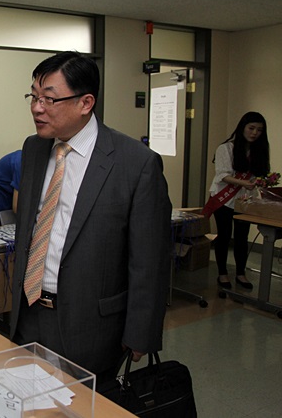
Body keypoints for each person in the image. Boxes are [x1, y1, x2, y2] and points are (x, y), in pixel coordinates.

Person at [9, 51, 171, 379]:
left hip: (93, 325)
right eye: (34, 96)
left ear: (85, 103)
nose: (37, 108)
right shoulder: (34, 148)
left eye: (49, 99)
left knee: (83, 402)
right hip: (29, 312)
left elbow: (149, 259)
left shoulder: (136, 163)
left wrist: (141, 333)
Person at [204, 112, 269, 290]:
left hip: (244, 200)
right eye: (251, 128)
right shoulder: (226, 148)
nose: (254, 133)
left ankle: (241, 273)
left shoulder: (259, 151)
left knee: (242, 237)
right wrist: (243, 183)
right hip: (224, 199)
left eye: (259, 130)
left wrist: (261, 182)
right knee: (224, 236)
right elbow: (222, 175)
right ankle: (222, 273)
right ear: (242, 127)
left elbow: (258, 174)